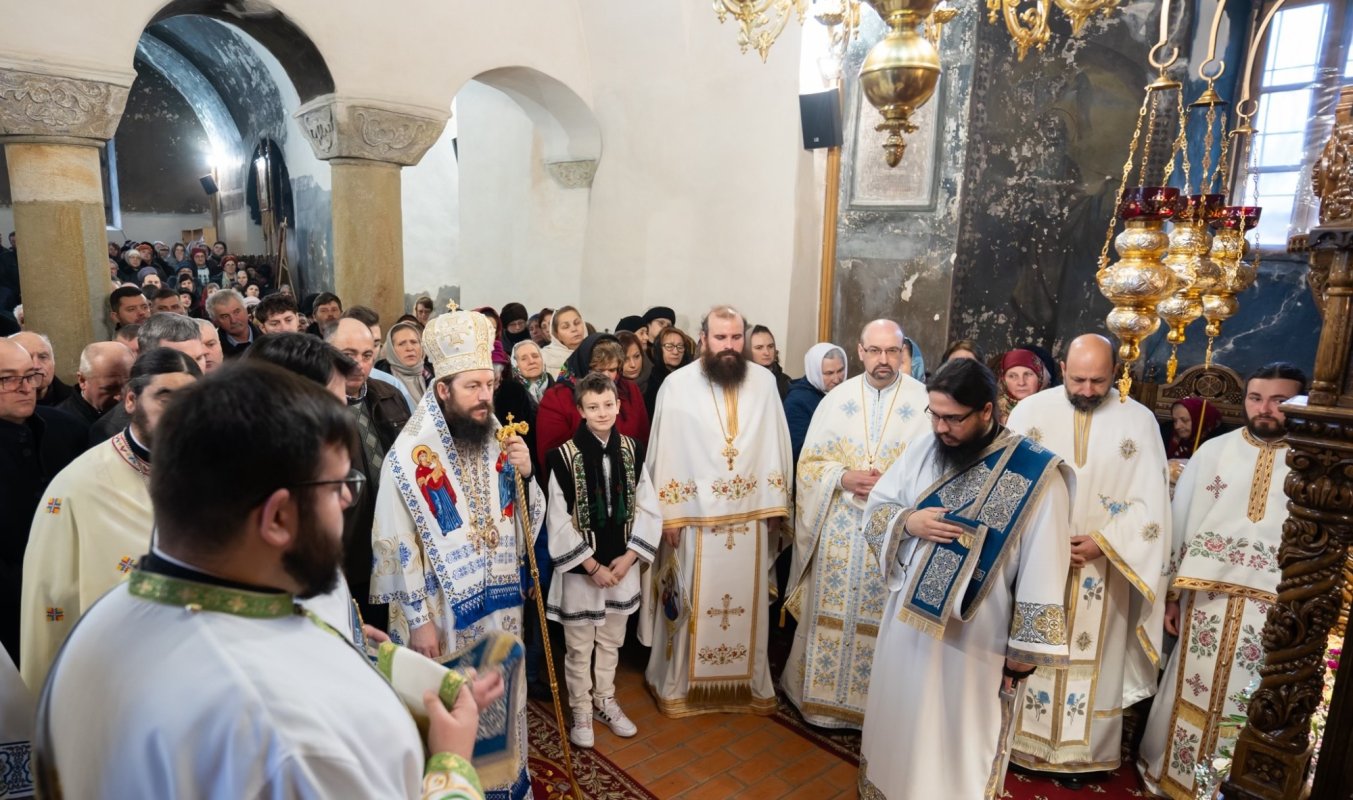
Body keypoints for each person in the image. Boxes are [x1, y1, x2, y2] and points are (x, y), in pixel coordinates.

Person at [39, 362, 496, 799]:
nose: (346, 502)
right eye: (338, 486)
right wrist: (450, 763)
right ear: (278, 516)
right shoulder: (287, 732)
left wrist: (424, 690)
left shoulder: (106, 616)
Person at [858, 357, 1074, 798]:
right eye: (934, 415)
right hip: (905, 627)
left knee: (956, 735)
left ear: (987, 412)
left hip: (974, 639)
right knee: (901, 719)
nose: (941, 428)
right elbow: (877, 510)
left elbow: (1045, 563)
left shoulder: (1036, 474)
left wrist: (1023, 654)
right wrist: (909, 522)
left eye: (953, 418)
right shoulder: (922, 449)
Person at [371, 307, 542, 799]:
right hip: (442, 614)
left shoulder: (500, 440)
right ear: (442, 388)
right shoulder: (407, 456)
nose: (485, 396)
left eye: (488, 384)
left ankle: (505, 784)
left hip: (501, 604)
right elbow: (394, 543)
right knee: (452, 705)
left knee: (501, 700)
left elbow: (524, 521)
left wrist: (526, 474)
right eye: (472, 387)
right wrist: (419, 620)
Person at [1007, 334, 1171, 784]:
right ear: (1062, 370)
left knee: (1093, 658)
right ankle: (1023, 745)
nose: (1086, 390)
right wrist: (1044, 538)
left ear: (1116, 373)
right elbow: (1007, 488)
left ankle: (1082, 758)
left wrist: (1104, 541)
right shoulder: (1029, 413)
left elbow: (1152, 505)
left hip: (1105, 570)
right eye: (1078, 379)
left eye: (1098, 380)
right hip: (1038, 564)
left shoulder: (1138, 423)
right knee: (1034, 649)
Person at [1137, 363, 1305, 798]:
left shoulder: (1311, 460)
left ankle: (1230, 787)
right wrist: (1172, 596)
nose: (1265, 409)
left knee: (1250, 700)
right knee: (1193, 686)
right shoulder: (1215, 451)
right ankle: (1177, 776)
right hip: (1207, 599)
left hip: (1277, 608)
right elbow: (1182, 520)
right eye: (1256, 398)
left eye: (1279, 400)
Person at [641, 305, 792, 717]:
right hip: (694, 519)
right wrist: (669, 515)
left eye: (736, 337)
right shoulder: (677, 384)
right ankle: (679, 686)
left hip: (751, 517)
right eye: (721, 337)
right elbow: (667, 451)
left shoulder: (763, 382)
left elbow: (775, 442)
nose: (729, 346)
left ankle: (746, 685)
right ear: (703, 338)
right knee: (692, 603)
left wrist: (777, 505)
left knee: (745, 604)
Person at [20, 348, 201, 691]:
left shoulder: (229, 472)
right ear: (130, 400)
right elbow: (50, 603)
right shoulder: (77, 487)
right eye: (165, 397)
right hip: (118, 678)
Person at [780, 321, 930, 729]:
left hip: (894, 531)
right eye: (875, 351)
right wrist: (843, 477)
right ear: (860, 351)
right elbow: (809, 465)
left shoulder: (924, 402)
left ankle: (874, 710)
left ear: (903, 353)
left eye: (892, 352)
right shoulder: (836, 399)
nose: (884, 360)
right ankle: (819, 702)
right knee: (829, 614)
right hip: (841, 529)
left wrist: (895, 484)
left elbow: (936, 470)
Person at [544, 372, 663, 748]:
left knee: (611, 640)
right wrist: (591, 566)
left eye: (608, 405)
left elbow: (648, 507)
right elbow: (558, 520)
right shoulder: (561, 457)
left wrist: (629, 558)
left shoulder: (633, 450)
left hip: (622, 567)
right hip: (583, 573)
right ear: (580, 410)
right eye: (593, 407)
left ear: (618, 405)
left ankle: (604, 700)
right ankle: (580, 708)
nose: (602, 412)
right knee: (579, 645)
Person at [0, 338, 87, 662]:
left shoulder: (69, 428)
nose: (25, 388)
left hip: (73, 591)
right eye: (7, 379)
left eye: (30, 376)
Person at [326, 318, 411, 629]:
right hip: (349, 550)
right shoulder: (315, 405)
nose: (359, 364)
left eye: (367, 354)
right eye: (349, 355)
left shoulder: (389, 394)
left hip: (395, 544)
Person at [535, 333, 650, 470]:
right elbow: (551, 456)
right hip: (579, 479)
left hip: (626, 475)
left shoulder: (630, 390)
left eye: (612, 369)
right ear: (584, 366)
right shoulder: (557, 398)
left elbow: (643, 440)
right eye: (599, 370)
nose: (607, 376)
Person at [89, 313, 206, 446]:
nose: (193, 369)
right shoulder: (110, 430)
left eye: (199, 358)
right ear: (147, 358)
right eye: (176, 362)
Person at [783, 342, 847, 464]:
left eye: (840, 370)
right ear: (814, 372)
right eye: (829, 373)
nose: (837, 379)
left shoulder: (845, 392)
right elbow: (798, 450)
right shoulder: (796, 402)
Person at [56, 342, 134, 427]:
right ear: (82, 380)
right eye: (110, 388)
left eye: (128, 385)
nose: (121, 397)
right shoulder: (60, 423)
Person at [376, 319, 435, 405]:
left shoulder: (434, 376)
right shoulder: (381, 383)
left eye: (414, 342)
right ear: (391, 350)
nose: (409, 348)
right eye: (402, 344)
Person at [11, 332, 73, 407]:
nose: (36, 366)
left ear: (53, 362)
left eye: (43, 357)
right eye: (27, 357)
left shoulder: (76, 400)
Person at [643, 326, 694, 416]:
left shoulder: (691, 377)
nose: (675, 352)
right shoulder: (651, 380)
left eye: (680, 346)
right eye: (669, 346)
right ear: (659, 349)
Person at [996, 348, 1049, 424]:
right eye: (1012, 376)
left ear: (1040, 377)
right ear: (1003, 380)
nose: (1021, 383)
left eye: (1028, 374)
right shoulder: (992, 413)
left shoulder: (1054, 407)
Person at [207, 288, 261, 359]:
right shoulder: (211, 352)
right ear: (216, 321)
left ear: (246, 310)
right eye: (225, 316)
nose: (233, 320)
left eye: (237, 312)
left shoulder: (267, 337)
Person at [1165, 396, 1223, 460]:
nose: (1177, 426)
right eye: (1175, 421)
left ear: (1199, 420)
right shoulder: (1167, 433)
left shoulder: (1218, 444)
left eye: (1185, 420)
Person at [747, 324, 791, 399]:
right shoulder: (739, 381)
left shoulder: (785, 382)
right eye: (759, 348)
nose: (767, 352)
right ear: (747, 351)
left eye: (770, 346)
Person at [541, 305, 586, 377]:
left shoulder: (594, 352)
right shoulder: (544, 357)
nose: (574, 329)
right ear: (556, 335)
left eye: (577, 323)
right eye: (566, 327)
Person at [512, 339, 552, 405]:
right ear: (516, 365)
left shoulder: (561, 391)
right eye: (524, 359)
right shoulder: (509, 395)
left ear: (542, 359)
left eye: (535, 356)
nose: (531, 361)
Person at [615, 330, 651, 395]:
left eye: (637, 356)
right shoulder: (609, 390)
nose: (633, 365)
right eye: (625, 359)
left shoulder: (656, 382)